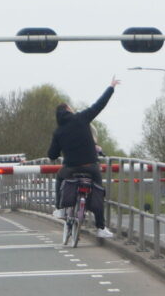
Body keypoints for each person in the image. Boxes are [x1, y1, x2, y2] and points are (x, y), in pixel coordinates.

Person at [48, 78, 118, 239]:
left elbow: (52, 155)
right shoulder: (82, 118)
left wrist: (61, 148)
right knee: (98, 191)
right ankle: (101, 227)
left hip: (71, 168)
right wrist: (111, 87)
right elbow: (99, 104)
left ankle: (59, 207)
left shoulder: (58, 131)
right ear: (68, 109)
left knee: (59, 178)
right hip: (90, 167)